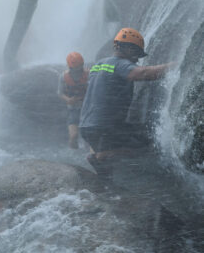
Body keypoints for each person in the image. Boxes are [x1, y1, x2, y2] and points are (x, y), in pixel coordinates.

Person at [79, 28, 176, 168]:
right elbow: (142, 73)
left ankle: (104, 183)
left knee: (106, 166)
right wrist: (173, 66)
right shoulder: (120, 64)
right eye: (137, 54)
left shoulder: (99, 64)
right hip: (105, 127)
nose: (137, 59)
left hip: (87, 125)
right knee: (145, 147)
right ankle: (100, 155)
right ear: (129, 50)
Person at [58, 52, 89, 149]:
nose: (78, 72)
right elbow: (60, 92)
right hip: (73, 109)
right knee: (73, 135)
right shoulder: (64, 77)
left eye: (79, 69)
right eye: (75, 69)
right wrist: (68, 99)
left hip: (87, 109)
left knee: (88, 137)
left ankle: (87, 155)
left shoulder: (89, 74)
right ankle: (73, 154)